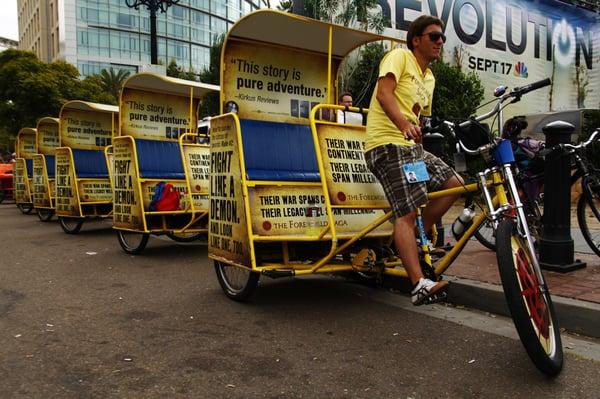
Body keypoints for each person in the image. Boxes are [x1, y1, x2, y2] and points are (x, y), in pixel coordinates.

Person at [364, 15, 463, 305]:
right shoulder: (400, 57)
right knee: (407, 213)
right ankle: (418, 283)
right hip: (386, 145)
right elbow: (384, 94)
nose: (440, 42)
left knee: (454, 184)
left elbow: (418, 113)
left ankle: (406, 241)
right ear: (416, 39)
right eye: (434, 36)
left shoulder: (429, 77)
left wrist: (416, 131)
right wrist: (404, 125)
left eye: (442, 38)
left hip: (409, 149)